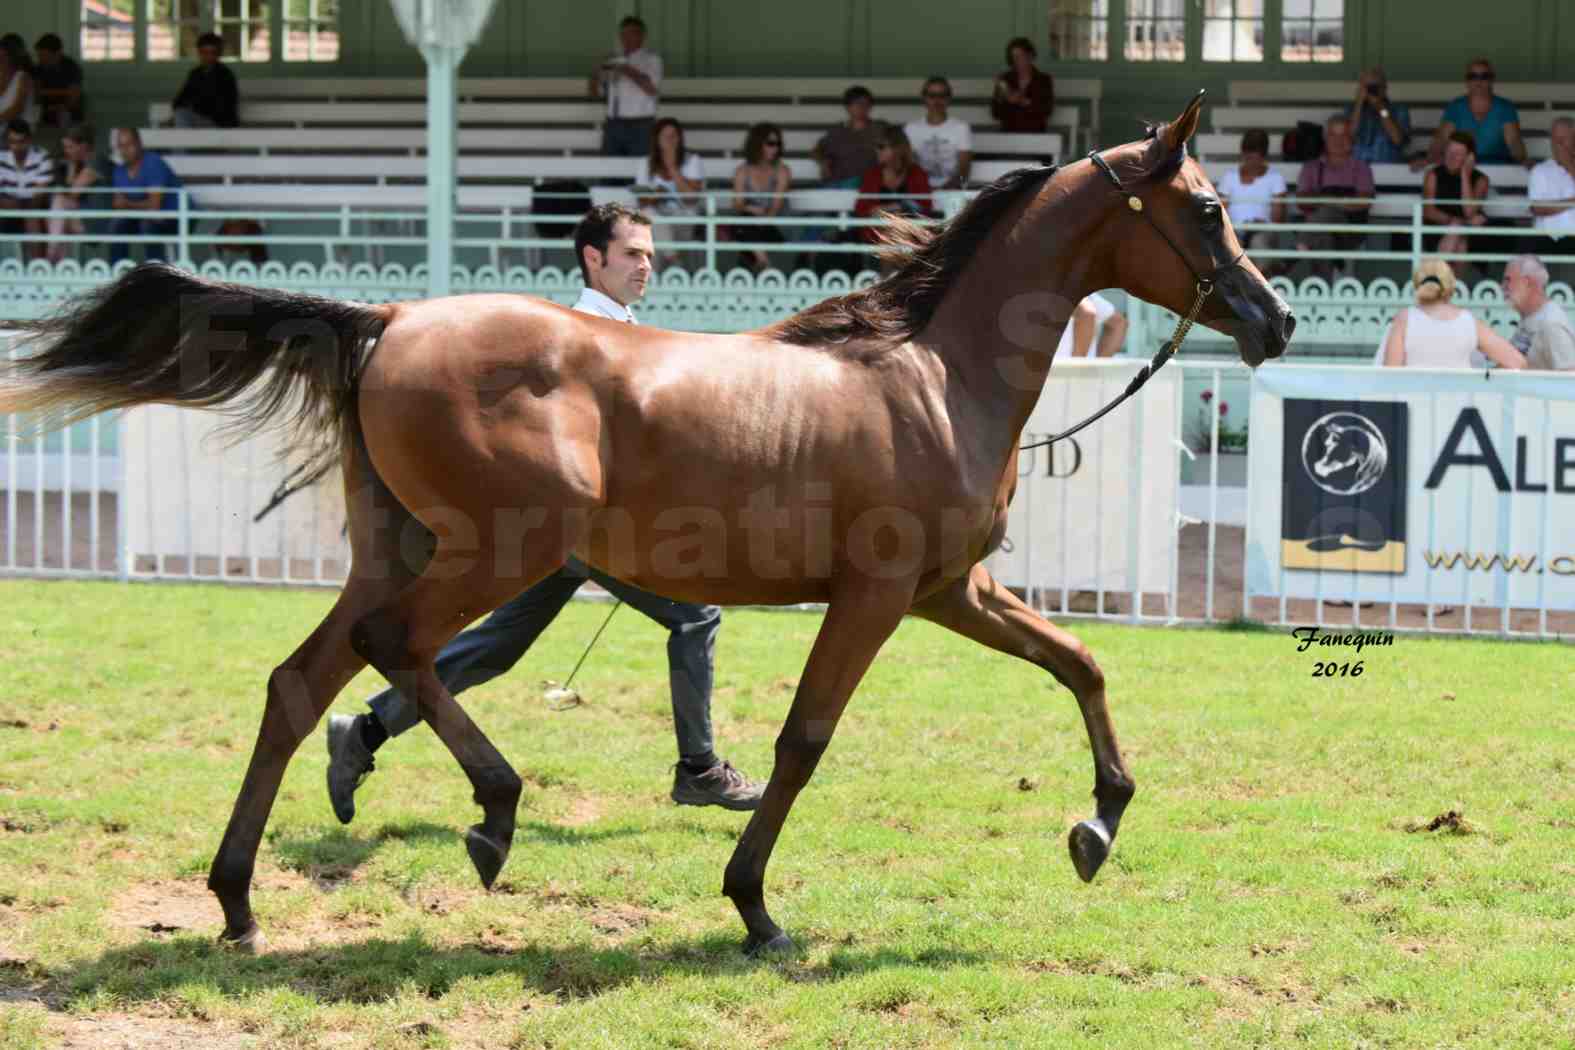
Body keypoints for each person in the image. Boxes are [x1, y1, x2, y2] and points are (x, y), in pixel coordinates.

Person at [324, 203, 765, 822]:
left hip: (576, 528)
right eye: (634, 252)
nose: (648, 264)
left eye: (649, 253)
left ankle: (363, 732)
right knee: (695, 615)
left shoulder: (621, 330)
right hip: (585, 525)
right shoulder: (582, 336)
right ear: (594, 257)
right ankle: (699, 769)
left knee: (497, 645)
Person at [1381, 257, 1524, 370]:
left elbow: (1390, 374)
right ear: (1451, 287)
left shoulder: (1404, 319)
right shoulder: (1468, 321)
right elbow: (1517, 362)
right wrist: (1482, 379)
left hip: (1413, 404)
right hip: (1458, 404)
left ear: (1418, 285)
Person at [1295, 115, 1374, 277]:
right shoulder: (1312, 167)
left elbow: (1364, 202)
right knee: (1324, 235)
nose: (1338, 141)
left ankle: (1297, 248)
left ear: (1351, 139)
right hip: (1320, 231)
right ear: (1325, 138)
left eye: (1343, 135)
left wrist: (1327, 202)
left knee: (1326, 212)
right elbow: (1302, 201)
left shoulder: (1361, 168)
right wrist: (1339, 202)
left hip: (1350, 232)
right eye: (1333, 135)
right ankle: (1323, 287)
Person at [634, 116, 703, 270]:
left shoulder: (692, 160)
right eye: (665, 136)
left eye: (674, 136)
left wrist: (673, 168)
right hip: (657, 221)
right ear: (657, 139)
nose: (670, 140)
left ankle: (669, 266)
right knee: (649, 218)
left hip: (683, 221)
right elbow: (642, 202)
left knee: (652, 244)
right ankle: (674, 259)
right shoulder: (646, 163)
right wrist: (658, 195)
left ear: (680, 139)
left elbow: (691, 200)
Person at [722, 122, 791, 273]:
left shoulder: (782, 171)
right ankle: (764, 263)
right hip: (749, 225)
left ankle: (754, 268)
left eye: (778, 144)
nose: (775, 148)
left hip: (774, 227)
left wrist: (759, 217)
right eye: (771, 143)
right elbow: (738, 204)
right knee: (743, 223)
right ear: (758, 143)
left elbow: (775, 208)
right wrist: (750, 209)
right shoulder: (742, 170)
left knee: (743, 231)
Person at [1430, 59, 1525, 167]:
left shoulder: (1505, 108)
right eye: (1473, 76)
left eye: (1484, 76)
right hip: (1460, 166)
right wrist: (1431, 158)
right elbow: (1442, 138)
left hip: (1497, 167)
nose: (1478, 81)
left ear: (1491, 79)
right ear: (1467, 81)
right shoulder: (1456, 107)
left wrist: (1522, 159)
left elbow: (1513, 141)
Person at [589, 15, 661, 158]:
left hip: (641, 123)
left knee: (639, 171)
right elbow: (595, 93)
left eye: (631, 33)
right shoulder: (612, 59)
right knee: (610, 172)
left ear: (642, 36)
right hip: (614, 123)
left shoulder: (652, 59)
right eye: (623, 34)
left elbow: (651, 89)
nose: (626, 37)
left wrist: (625, 68)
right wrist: (595, 75)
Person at [109, 126, 181, 263]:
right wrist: (125, 204)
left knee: (148, 225)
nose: (125, 150)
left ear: (139, 144)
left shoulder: (153, 162)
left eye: (129, 145)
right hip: (143, 217)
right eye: (121, 146)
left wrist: (127, 204)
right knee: (118, 225)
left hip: (175, 217)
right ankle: (117, 272)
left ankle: (157, 274)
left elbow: (155, 204)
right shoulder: (119, 170)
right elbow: (118, 204)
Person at [1216, 129, 1288, 268]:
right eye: (1248, 157)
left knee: (1258, 242)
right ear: (1243, 154)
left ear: (1264, 157)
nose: (1252, 162)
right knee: (1233, 245)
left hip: (1264, 230)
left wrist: (1261, 223)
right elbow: (1221, 214)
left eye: (1256, 157)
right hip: (1235, 230)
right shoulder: (1229, 177)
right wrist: (1233, 230)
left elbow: (1277, 219)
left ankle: (1261, 285)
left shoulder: (1275, 178)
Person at [1423, 131, 1491, 274]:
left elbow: (1469, 211)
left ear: (1469, 158)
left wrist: (1465, 175)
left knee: (1460, 236)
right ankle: (1453, 290)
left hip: (1470, 232)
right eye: (1449, 151)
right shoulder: (1433, 175)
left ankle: (1438, 284)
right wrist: (1457, 222)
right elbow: (1428, 211)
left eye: (1458, 153)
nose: (1451, 156)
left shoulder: (1481, 180)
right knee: (1459, 239)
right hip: (1437, 229)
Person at [853, 124, 933, 242]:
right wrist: (899, 207)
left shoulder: (917, 173)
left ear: (897, 149)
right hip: (877, 235)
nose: (877, 151)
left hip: (909, 235)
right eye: (876, 146)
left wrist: (888, 210)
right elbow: (861, 209)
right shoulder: (872, 174)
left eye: (881, 147)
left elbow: (924, 207)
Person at [45, 124, 110, 263]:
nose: (66, 151)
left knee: (58, 202)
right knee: (58, 216)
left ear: (84, 146)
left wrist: (71, 165)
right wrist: (72, 165)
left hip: (98, 223)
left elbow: (73, 193)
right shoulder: (82, 164)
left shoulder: (97, 161)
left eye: (70, 147)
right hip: (84, 218)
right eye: (65, 147)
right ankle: (61, 265)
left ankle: (51, 257)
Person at [1503, 255, 1575, 371]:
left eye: (1508, 280)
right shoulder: (1531, 316)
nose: (1503, 287)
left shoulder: (1552, 325)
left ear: (1526, 282)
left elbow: (1570, 379)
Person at [904, 76, 972, 190]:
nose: (937, 101)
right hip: (919, 191)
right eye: (932, 96)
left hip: (952, 191)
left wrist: (944, 190)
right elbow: (908, 166)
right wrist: (923, 189)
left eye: (942, 96)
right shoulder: (911, 128)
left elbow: (964, 168)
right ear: (924, 98)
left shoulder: (961, 128)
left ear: (949, 98)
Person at [0, 118, 52, 259]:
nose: (16, 147)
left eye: (21, 142)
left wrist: (15, 204)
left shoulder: (42, 156)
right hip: (6, 209)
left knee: (32, 216)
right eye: (12, 142)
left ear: (29, 140)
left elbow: (38, 197)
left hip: (32, 209)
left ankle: (38, 270)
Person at [812, 85, 882, 189]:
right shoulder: (837, 131)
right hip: (836, 183)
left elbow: (895, 149)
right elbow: (817, 150)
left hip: (866, 183)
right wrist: (823, 163)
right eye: (857, 103)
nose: (862, 107)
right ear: (847, 107)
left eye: (866, 103)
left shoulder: (880, 129)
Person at [1526, 116, 1575, 254]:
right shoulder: (1540, 170)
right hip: (1547, 236)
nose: (1557, 144)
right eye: (1554, 139)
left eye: (1563, 139)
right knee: (1525, 247)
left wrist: (1570, 166)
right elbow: (1538, 209)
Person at [1346, 66, 1411, 167]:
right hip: (1357, 170)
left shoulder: (1399, 110)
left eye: (1375, 87)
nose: (1371, 90)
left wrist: (1381, 108)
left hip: (1389, 169)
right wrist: (1358, 104)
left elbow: (1398, 139)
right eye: (1367, 87)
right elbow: (1347, 138)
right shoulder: (1352, 110)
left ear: (1384, 88)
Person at [170, 32, 239, 128]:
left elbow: (225, 106)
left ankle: (185, 141)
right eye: (204, 52)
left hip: (219, 123)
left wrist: (197, 104)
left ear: (219, 54)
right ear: (199, 53)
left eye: (213, 53)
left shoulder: (225, 75)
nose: (208, 57)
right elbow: (180, 100)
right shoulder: (195, 74)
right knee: (181, 114)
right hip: (197, 120)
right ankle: (185, 142)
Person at [992, 36, 1053, 134]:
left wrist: (1023, 101)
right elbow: (995, 113)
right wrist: (1005, 99)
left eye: (1021, 56)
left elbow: (1046, 110)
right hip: (1009, 131)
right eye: (1014, 57)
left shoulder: (1043, 80)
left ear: (1030, 56)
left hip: (1035, 132)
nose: (1018, 61)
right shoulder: (1004, 80)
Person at [32, 34, 83, 132]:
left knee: (65, 115)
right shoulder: (38, 69)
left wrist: (57, 106)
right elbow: (36, 95)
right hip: (45, 112)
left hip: (67, 112)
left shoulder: (71, 67)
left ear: (57, 53)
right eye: (39, 55)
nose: (41, 59)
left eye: (45, 55)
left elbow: (74, 97)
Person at [1054, 293, 1127, 360]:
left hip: (1060, 371)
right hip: (1074, 371)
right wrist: (1096, 368)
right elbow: (1119, 323)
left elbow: (1087, 313)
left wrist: (1076, 369)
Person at [0, 35, 36, 124]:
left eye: (3, 57)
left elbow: (18, 108)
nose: (1, 61)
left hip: (19, 131)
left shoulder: (24, 78)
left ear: (12, 58)